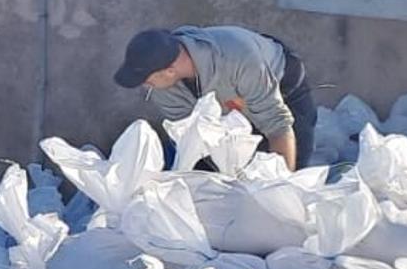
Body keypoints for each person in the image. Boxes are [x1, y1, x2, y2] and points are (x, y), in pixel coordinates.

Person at [113, 25, 317, 171]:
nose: (145, 86)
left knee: (289, 168)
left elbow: (278, 127)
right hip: (232, 105)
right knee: (224, 176)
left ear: (169, 70)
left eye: (147, 80)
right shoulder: (162, 88)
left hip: (282, 85)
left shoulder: (239, 59)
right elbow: (193, 140)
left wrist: (279, 189)